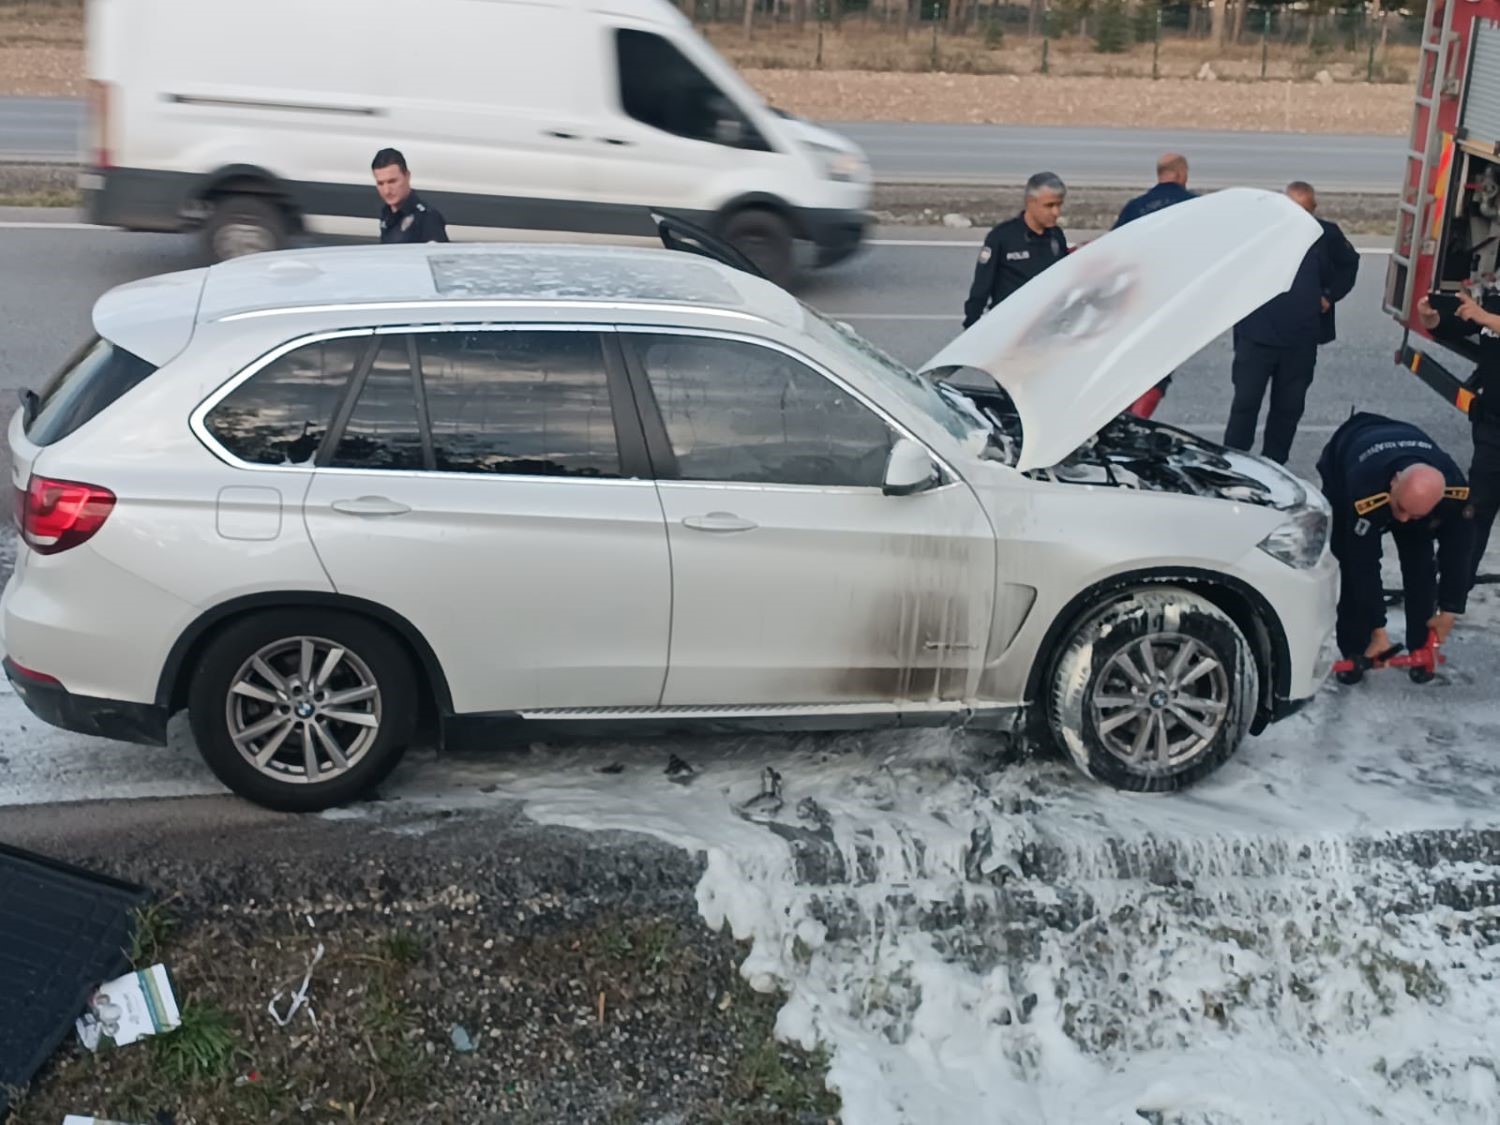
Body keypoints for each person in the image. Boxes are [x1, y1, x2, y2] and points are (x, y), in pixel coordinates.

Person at [1315, 411, 1474, 684]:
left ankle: (1421, 648)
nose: (1400, 520)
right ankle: (1355, 647)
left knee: (1421, 564)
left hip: (1409, 463)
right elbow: (1362, 565)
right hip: (1348, 453)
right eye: (1400, 510)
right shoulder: (1365, 490)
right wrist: (1378, 631)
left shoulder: (1454, 490)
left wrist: (1449, 610)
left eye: (1411, 516)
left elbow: (1458, 553)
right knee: (1349, 562)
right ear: (1394, 482)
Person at [1223, 181, 1360, 464]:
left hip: (1300, 340)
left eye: (1303, 212)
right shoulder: (1261, 232)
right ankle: (1234, 460)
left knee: (1288, 408)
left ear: (1313, 211)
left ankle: (1274, 463)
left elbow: (1349, 263)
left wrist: (1329, 295)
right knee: (1245, 403)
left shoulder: (1326, 235)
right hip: (1257, 337)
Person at [1415, 288, 1500, 585]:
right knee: (1476, 510)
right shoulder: (1496, 299)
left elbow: (1484, 320)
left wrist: (1487, 317)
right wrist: (1434, 318)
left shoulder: (1490, 311)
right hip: (1493, 424)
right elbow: (1465, 327)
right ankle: (1454, 589)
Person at [1112, 153, 1198, 418]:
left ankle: (1119, 415)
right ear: (1182, 175)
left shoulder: (1135, 207)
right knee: (1159, 368)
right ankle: (1136, 420)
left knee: (1129, 364)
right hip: (1173, 300)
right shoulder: (1196, 206)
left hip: (1136, 299)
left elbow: (1114, 251)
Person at [962, 172, 1068, 329]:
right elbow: (981, 288)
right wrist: (971, 326)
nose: (1056, 212)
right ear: (1031, 202)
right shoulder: (1002, 237)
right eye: (1049, 206)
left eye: (1059, 205)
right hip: (1008, 328)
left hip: (1045, 327)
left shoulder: (1056, 236)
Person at [371, 148, 449, 245]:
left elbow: (436, 257)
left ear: (407, 176)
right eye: (380, 183)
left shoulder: (427, 219)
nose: (387, 191)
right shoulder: (387, 213)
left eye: (392, 181)